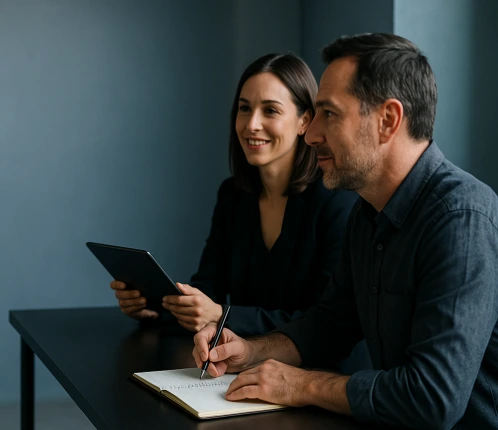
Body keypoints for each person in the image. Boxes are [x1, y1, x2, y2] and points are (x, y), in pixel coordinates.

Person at [193, 33, 498, 429]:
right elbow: (329, 324)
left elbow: (432, 398)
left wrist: (300, 385)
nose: (310, 133)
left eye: (328, 114)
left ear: (388, 120)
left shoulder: (462, 218)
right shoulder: (367, 213)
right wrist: (251, 350)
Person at [111, 53, 357, 335]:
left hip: (315, 372)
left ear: (305, 121)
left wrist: (221, 315)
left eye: (270, 111)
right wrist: (153, 307)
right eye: (244, 108)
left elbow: (322, 322)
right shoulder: (233, 195)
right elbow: (206, 288)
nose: (251, 124)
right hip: (240, 366)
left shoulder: (336, 202)